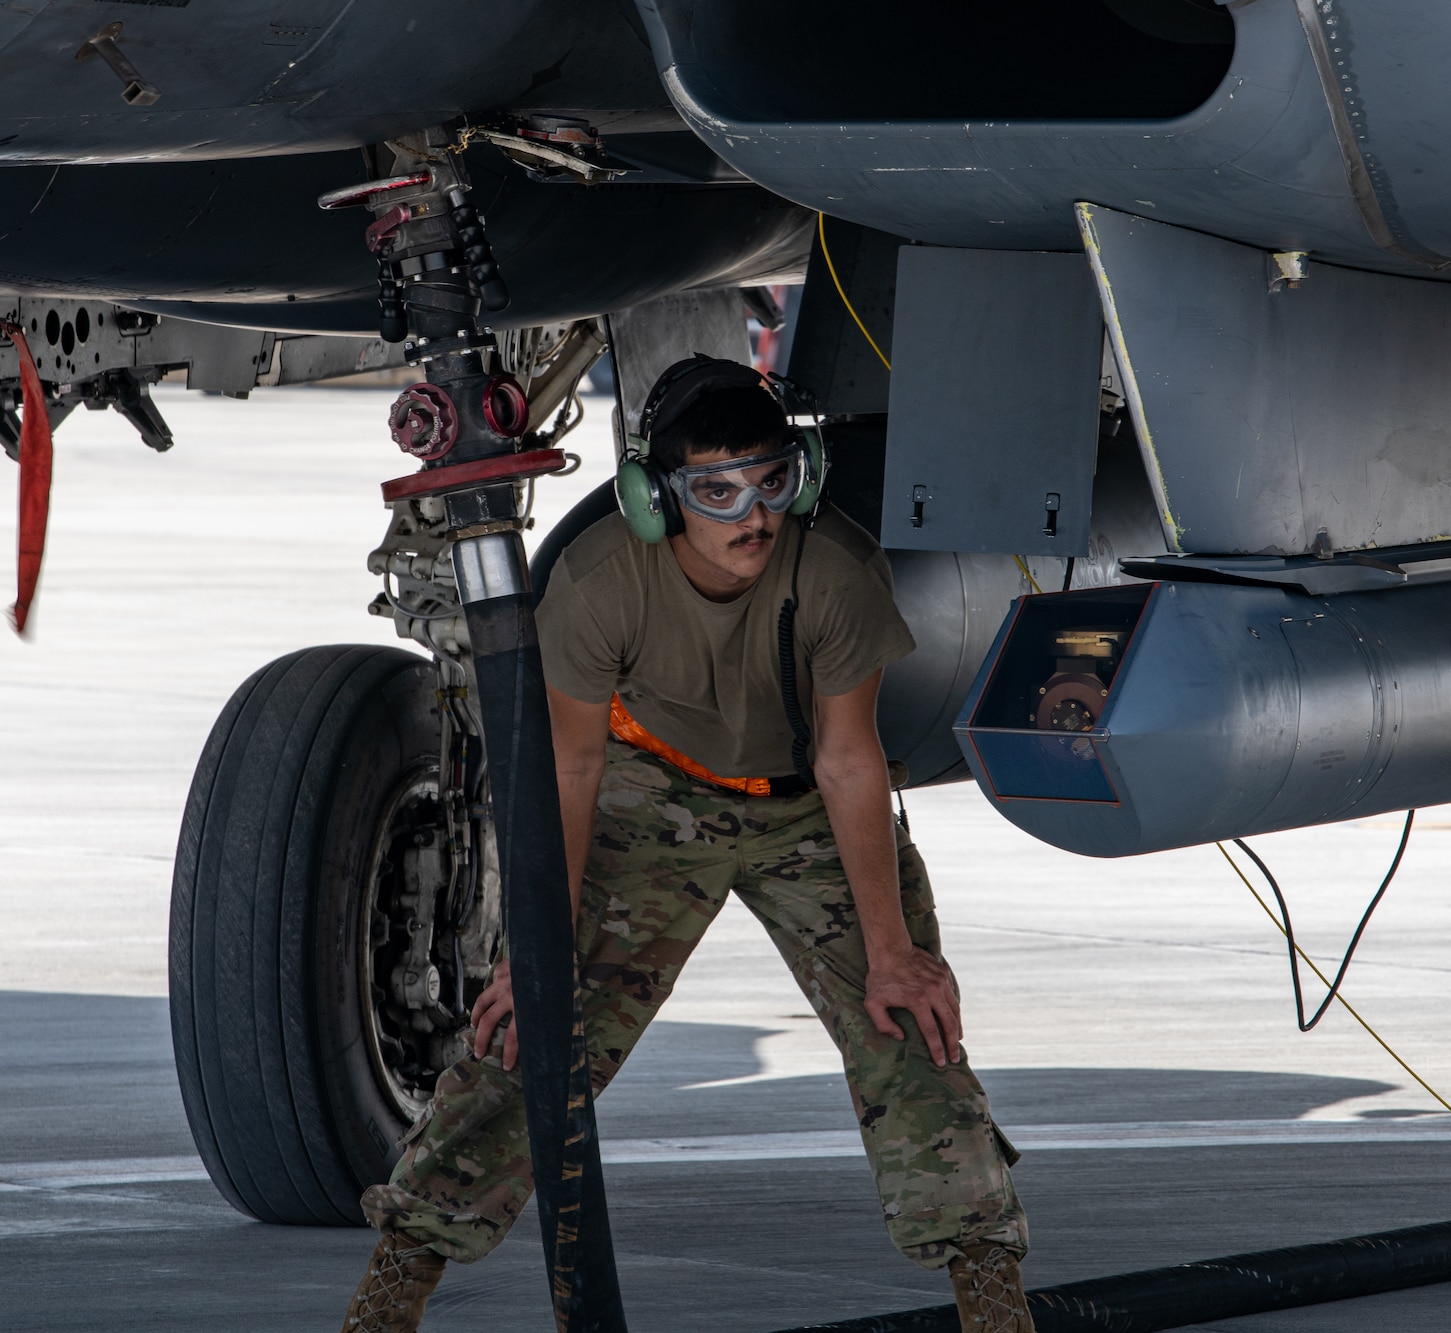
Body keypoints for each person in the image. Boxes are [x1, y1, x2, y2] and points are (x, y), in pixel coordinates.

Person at [341, 357, 1032, 1332]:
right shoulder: (595, 582)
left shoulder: (833, 571)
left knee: (910, 1028)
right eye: (715, 491)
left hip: (804, 807)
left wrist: (888, 953)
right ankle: (394, 1286)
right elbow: (569, 770)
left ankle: (992, 1301)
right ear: (654, 500)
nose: (751, 515)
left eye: (771, 481)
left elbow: (847, 759)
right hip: (647, 792)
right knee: (530, 1028)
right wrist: (530, 954)